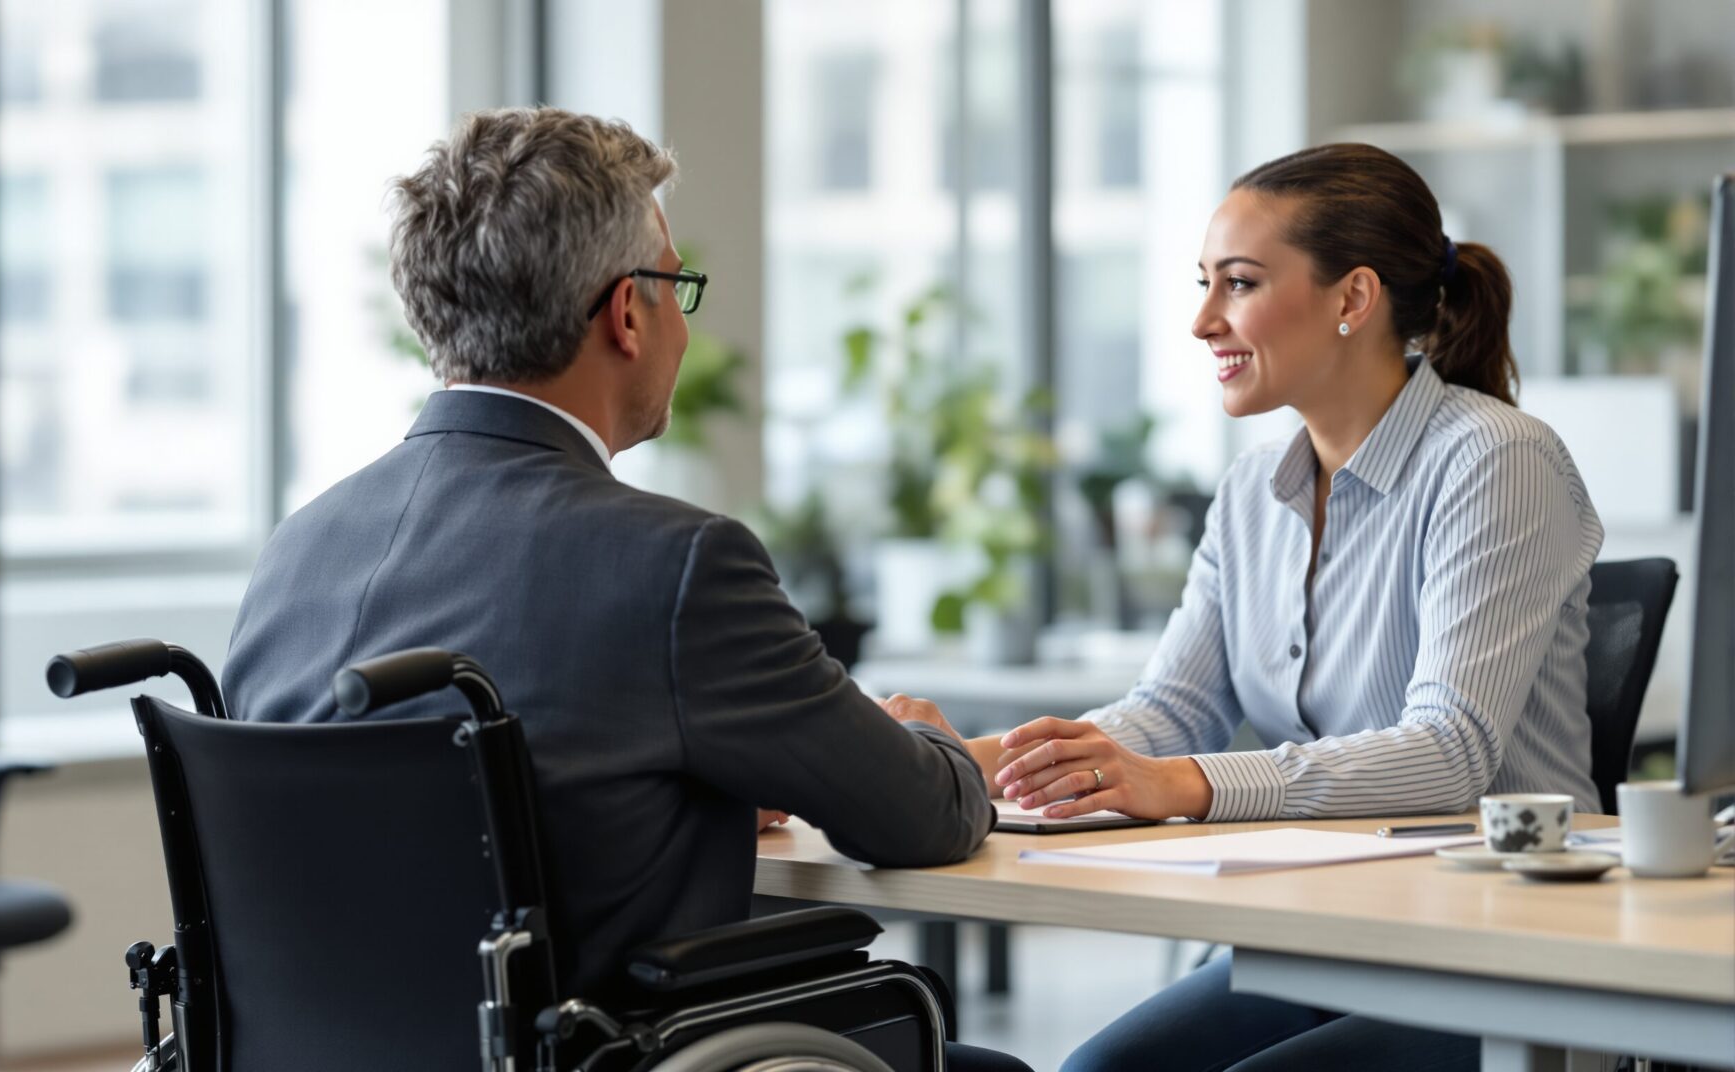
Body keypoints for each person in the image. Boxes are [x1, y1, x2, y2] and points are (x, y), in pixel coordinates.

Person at [221, 107, 1024, 1072]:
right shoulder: (675, 565)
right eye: (677, 287)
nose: (684, 325)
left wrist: (682, 797)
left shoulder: (296, 552)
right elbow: (922, 818)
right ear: (627, 313)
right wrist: (929, 742)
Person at [968, 143, 1601, 1070]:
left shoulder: (1495, 459)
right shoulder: (1250, 492)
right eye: (1204, 283)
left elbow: (1451, 749)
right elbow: (1170, 712)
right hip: (1324, 932)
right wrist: (974, 760)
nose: (1201, 321)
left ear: (1353, 299)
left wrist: (1187, 782)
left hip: (1504, 943)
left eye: (1239, 284)